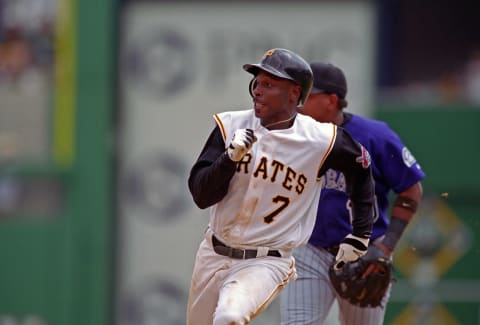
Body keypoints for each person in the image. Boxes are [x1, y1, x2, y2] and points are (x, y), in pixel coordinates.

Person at [186, 49, 377, 325]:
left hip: (266, 261)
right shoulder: (231, 126)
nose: (257, 92)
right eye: (257, 83)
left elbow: (362, 165)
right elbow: (201, 196)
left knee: (229, 316)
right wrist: (229, 159)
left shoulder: (320, 139)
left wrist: (361, 233)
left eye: (269, 84)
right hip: (212, 254)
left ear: (294, 93)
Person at [280, 62, 425, 325]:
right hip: (309, 250)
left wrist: (386, 247)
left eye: (307, 96)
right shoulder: (292, 135)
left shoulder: (375, 136)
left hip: (363, 254)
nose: (298, 103)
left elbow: (411, 190)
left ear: (332, 100)